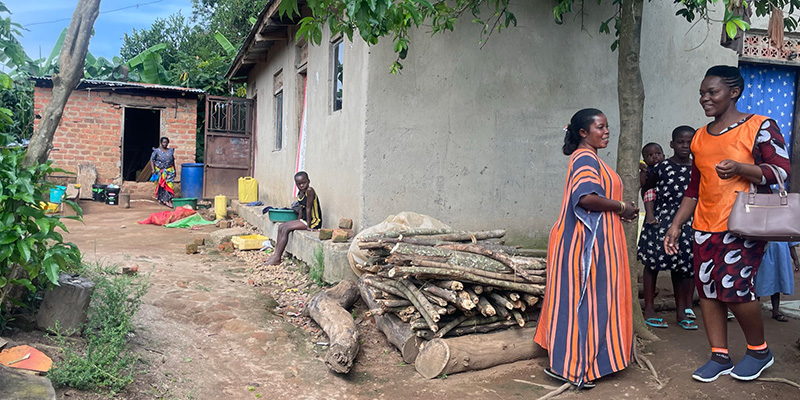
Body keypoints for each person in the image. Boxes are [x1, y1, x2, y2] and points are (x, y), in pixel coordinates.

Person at [664, 65, 791, 383]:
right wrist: (677, 224)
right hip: (704, 226)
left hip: (744, 225)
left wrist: (741, 168)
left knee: (735, 289)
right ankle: (719, 355)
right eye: (701, 94)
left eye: (712, 92)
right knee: (707, 291)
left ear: (733, 92)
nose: (705, 99)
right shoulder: (699, 138)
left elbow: (781, 170)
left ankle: (759, 350)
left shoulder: (760, 126)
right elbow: (694, 188)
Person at [535, 108, 638, 389]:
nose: (606, 132)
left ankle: (582, 363)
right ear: (583, 133)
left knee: (592, 302)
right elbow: (586, 199)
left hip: (596, 242)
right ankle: (575, 368)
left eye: (607, 127)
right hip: (584, 246)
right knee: (586, 303)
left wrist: (620, 212)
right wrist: (621, 206)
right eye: (600, 127)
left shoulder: (590, 158)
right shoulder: (583, 158)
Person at [638, 128, 696, 330]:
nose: (685, 146)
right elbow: (648, 190)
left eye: (689, 142)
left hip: (688, 223)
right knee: (653, 264)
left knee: (682, 267)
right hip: (660, 221)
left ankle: (682, 312)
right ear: (672, 144)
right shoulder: (661, 167)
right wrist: (651, 215)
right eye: (680, 142)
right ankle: (649, 309)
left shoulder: (698, 168)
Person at [265, 171, 322, 265]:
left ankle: (278, 258)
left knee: (286, 229)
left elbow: (308, 209)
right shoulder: (300, 193)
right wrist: (297, 221)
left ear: (309, 181)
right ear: (296, 184)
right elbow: (301, 209)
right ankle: (276, 255)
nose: (302, 185)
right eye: (299, 184)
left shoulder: (310, 191)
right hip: (304, 219)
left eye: (304, 183)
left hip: (313, 221)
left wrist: (308, 226)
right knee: (281, 227)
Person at [755, 241, 799, 322]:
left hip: (780, 256)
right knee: (759, 281)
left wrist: (795, 259)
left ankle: (776, 311)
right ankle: (754, 312)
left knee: (776, 282)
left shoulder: (784, 228)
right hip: (763, 253)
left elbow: (790, 243)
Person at [150, 137, 176, 207]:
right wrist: (153, 169)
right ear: (161, 143)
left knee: (169, 185)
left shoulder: (171, 151)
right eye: (163, 142)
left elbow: (173, 161)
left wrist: (175, 170)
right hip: (160, 171)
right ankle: (163, 200)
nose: (165, 144)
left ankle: (168, 199)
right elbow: (152, 160)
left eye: (166, 142)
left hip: (169, 171)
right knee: (161, 185)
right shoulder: (157, 151)